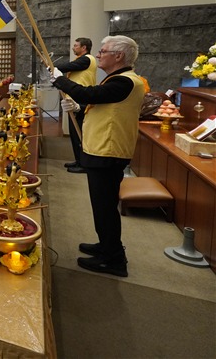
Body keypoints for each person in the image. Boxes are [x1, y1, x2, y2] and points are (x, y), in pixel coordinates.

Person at [51, 35, 145, 278]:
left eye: (103, 51)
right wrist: (79, 108)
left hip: (108, 150)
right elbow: (100, 103)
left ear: (119, 56)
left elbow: (89, 94)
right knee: (102, 205)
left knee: (104, 207)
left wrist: (61, 80)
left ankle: (114, 258)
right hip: (102, 148)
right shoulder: (117, 80)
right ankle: (106, 245)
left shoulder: (125, 81)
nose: (98, 55)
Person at [55, 37, 96, 173]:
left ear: (84, 48)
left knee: (79, 132)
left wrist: (54, 67)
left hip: (81, 99)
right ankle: (78, 160)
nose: (73, 47)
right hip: (74, 100)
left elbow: (68, 66)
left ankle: (84, 163)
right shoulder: (81, 60)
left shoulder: (87, 59)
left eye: (76, 45)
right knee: (74, 132)